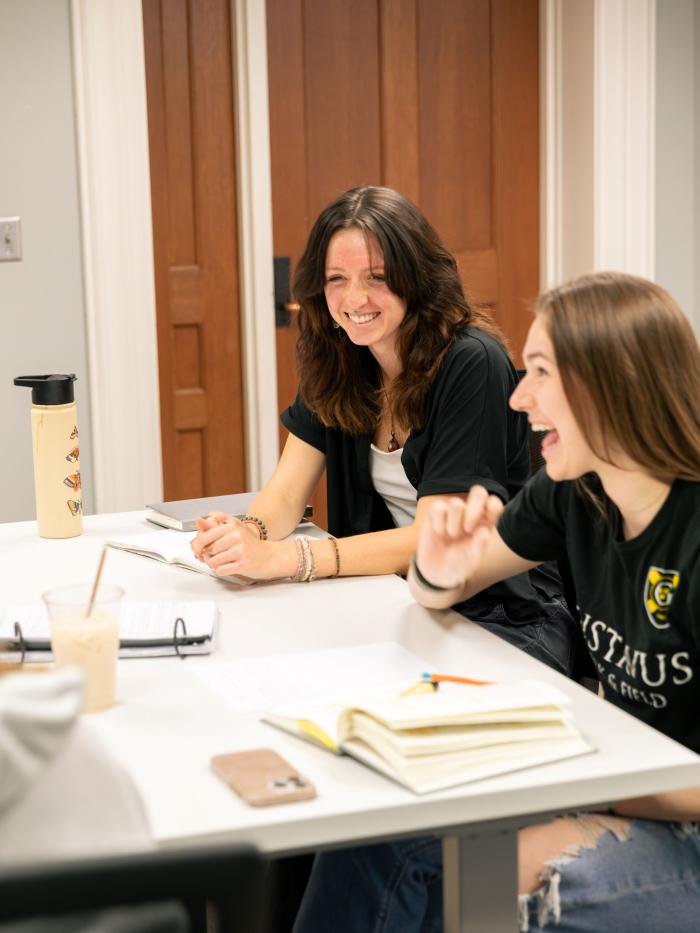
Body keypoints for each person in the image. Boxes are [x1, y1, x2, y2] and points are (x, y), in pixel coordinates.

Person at [291, 271, 700, 933]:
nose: (518, 397)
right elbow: (441, 585)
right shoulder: (577, 492)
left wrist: (582, 778)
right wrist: (437, 566)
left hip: (674, 817)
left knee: (470, 874)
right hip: (627, 787)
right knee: (385, 831)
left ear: (612, 383)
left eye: (539, 371)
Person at [191, 185, 577, 676]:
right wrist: (248, 534)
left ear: (416, 279)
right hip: (400, 600)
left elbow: (433, 538)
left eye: (377, 277)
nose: (355, 299)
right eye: (337, 278)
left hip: (500, 614)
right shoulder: (339, 358)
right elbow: (286, 492)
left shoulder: (470, 360)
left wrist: (284, 559)